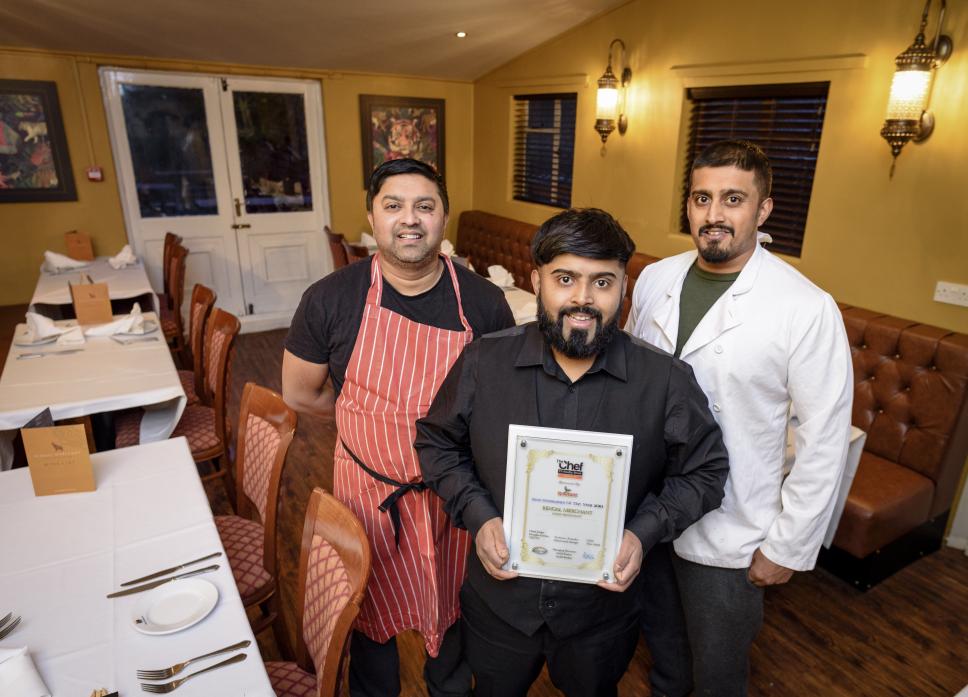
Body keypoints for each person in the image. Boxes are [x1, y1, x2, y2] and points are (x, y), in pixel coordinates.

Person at [415, 208, 729, 697]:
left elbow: (705, 472)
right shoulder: (484, 362)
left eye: (603, 281)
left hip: (601, 615)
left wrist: (642, 535)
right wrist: (479, 517)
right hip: (500, 605)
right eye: (566, 278)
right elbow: (437, 443)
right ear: (537, 280)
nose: (583, 299)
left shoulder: (664, 380)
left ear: (625, 286)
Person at [626, 140, 853, 697]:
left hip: (731, 528)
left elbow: (825, 436)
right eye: (702, 198)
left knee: (717, 674)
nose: (714, 214)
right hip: (649, 514)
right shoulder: (657, 278)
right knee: (664, 655)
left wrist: (787, 546)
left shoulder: (804, 306)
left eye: (733, 199)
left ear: (763, 209)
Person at [282, 158, 515, 697]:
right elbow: (300, 392)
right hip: (367, 494)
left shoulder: (483, 302)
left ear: (444, 218)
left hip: (453, 497)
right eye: (393, 206)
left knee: (451, 615)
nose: (409, 219)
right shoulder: (330, 298)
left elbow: (503, 401)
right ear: (372, 216)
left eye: (424, 206)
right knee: (366, 621)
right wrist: (369, 427)